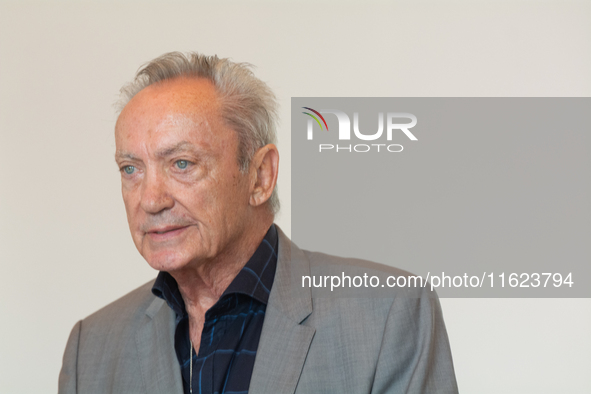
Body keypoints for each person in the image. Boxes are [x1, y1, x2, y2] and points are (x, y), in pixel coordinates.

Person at [58, 52, 458, 394]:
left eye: (182, 163)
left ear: (260, 176)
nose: (150, 199)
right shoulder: (90, 350)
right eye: (131, 169)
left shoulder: (389, 314)